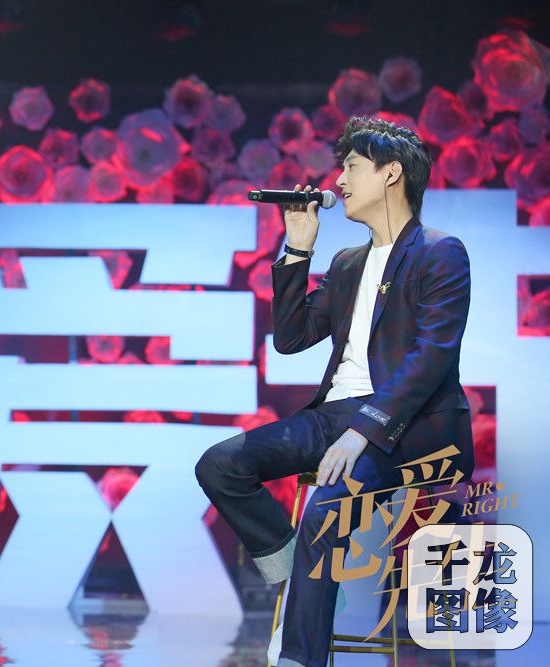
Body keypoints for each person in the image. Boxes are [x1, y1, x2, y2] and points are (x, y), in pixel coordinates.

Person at [194, 117, 474, 667]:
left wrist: (363, 432)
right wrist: (298, 250)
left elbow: (430, 359)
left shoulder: (440, 252)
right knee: (220, 465)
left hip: (408, 426)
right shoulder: (348, 263)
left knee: (325, 509)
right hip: (334, 414)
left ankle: (299, 658)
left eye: (351, 166)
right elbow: (291, 338)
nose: (339, 180)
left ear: (391, 173)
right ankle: (299, 575)